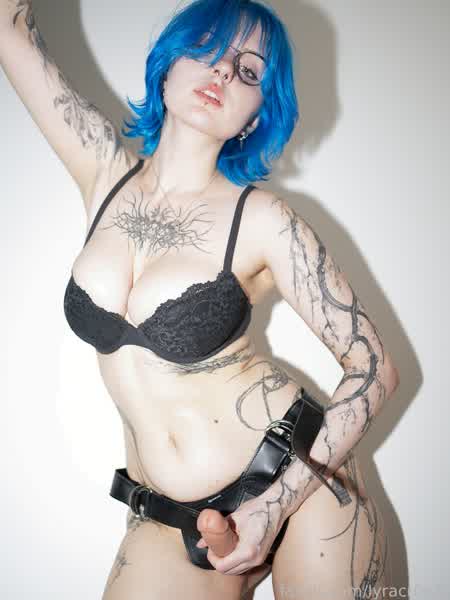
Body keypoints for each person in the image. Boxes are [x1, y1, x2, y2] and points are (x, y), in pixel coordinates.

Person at [1, 1, 400, 599]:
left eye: (249, 71)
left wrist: (273, 506)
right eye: (208, 48)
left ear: (254, 116)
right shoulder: (103, 174)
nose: (223, 71)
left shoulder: (264, 218)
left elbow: (375, 367)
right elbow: (11, 32)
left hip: (300, 481)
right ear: (167, 68)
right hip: (168, 515)